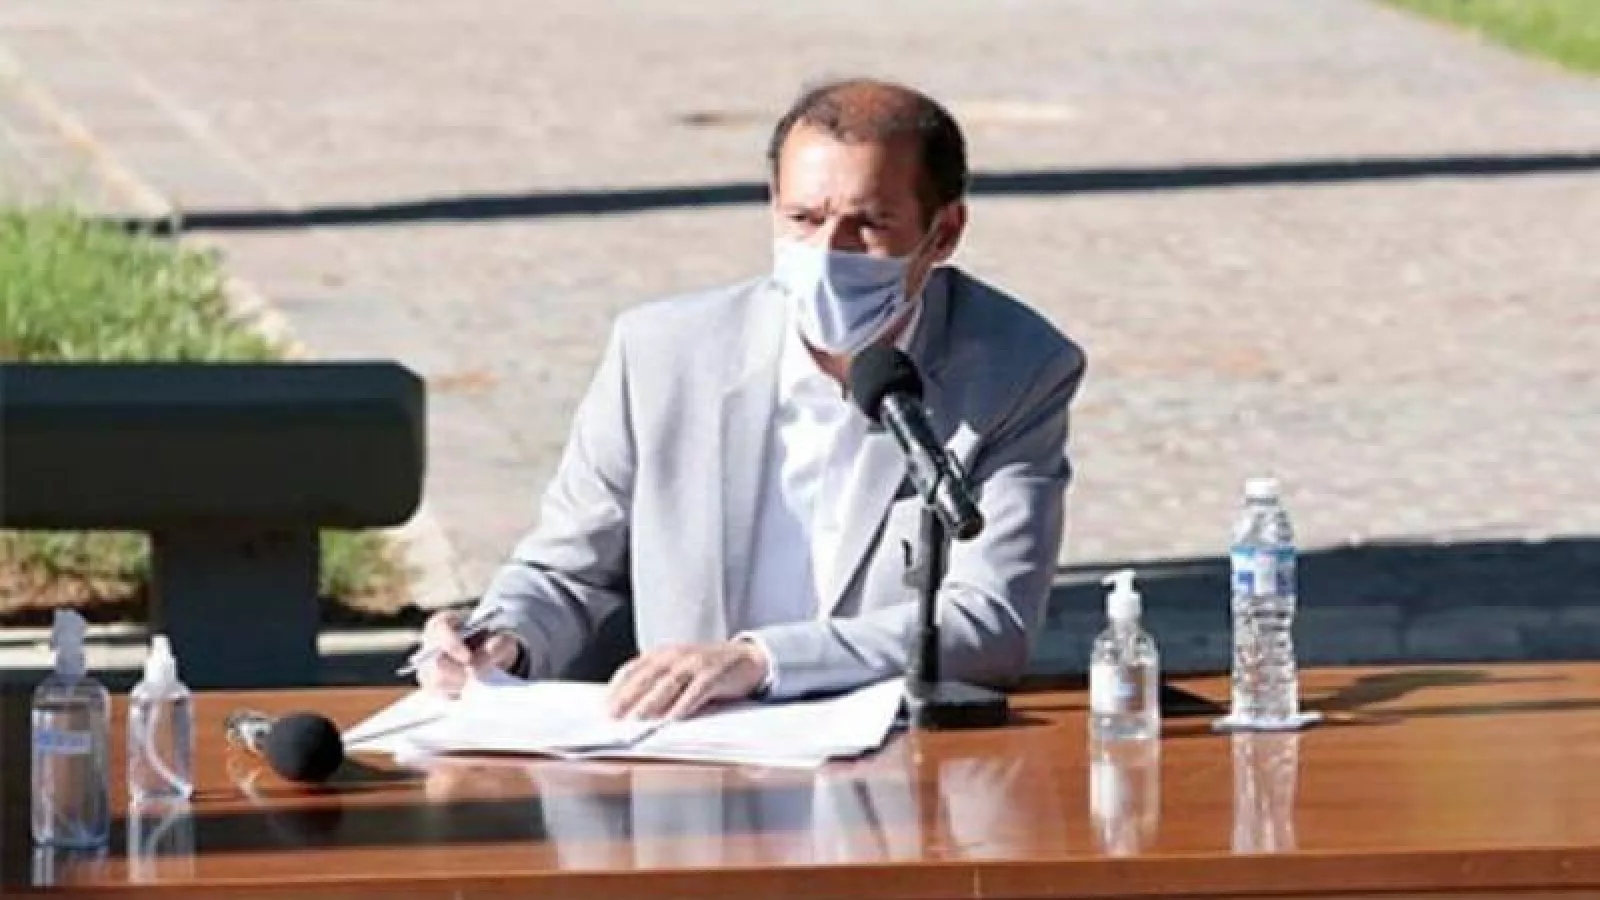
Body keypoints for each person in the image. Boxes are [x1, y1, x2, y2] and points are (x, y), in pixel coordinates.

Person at [416, 77, 1086, 720]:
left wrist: (761, 660)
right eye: (803, 219)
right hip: (686, 753)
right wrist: (500, 638)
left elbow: (988, 622)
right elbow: (567, 573)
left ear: (943, 234)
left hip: (891, 754)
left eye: (870, 225)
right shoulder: (660, 355)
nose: (828, 251)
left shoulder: (1017, 368)